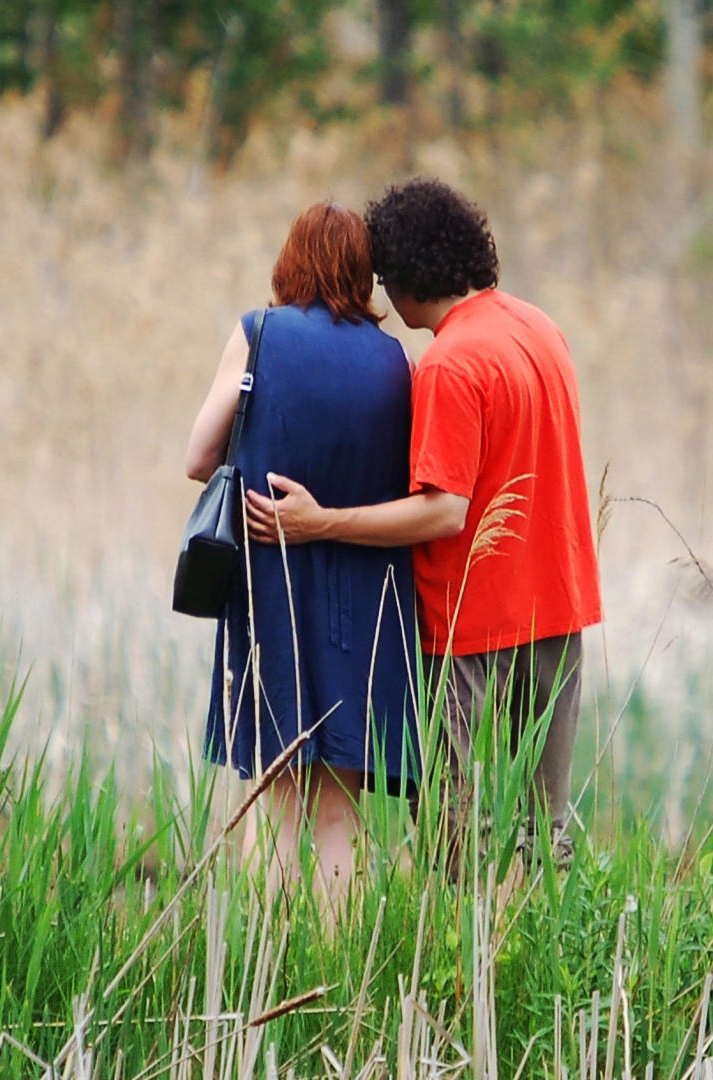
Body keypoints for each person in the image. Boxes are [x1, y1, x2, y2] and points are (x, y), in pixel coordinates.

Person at [245, 178, 603, 869]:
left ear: (406, 278)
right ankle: (543, 961)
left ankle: (459, 968)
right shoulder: (540, 328)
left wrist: (321, 522)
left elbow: (445, 509)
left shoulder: (448, 362)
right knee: (545, 833)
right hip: (559, 611)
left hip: (473, 630)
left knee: (453, 836)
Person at [184, 201, 421, 905]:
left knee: (273, 785)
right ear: (363, 272)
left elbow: (198, 457)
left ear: (290, 260)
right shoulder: (398, 361)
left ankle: (270, 967)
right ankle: (338, 973)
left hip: (272, 585)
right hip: (368, 601)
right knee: (339, 803)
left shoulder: (260, 335)